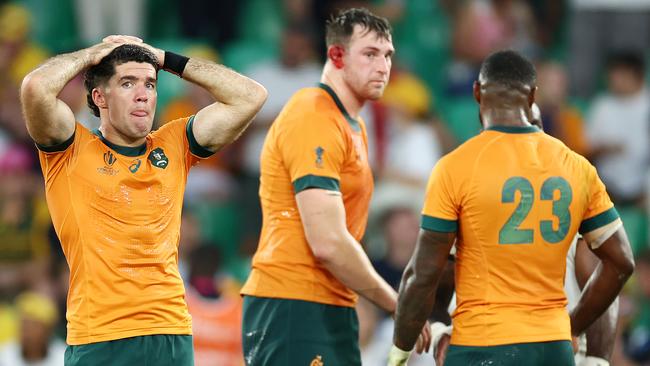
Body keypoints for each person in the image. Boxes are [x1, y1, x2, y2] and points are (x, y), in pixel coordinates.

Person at [20, 35, 267, 365]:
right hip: (101, 337)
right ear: (99, 97)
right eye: (127, 83)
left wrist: (164, 58)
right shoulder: (71, 148)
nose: (143, 95)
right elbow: (36, 87)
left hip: (171, 332)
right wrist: (92, 54)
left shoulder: (175, 142)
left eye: (150, 84)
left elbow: (250, 96)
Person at [390, 50, 635, 365]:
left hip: (482, 344)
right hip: (552, 348)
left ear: (477, 92)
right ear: (533, 95)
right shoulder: (576, 166)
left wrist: (399, 353)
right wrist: (571, 327)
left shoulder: (455, 167)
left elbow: (422, 274)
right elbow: (621, 262)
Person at [240, 8, 429, 365]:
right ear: (336, 55)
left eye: (387, 55)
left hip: (330, 302)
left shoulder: (352, 124)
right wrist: (396, 303)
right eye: (370, 54)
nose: (383, 67)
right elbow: (327, 241)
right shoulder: (314, 115)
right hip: (294, 302)